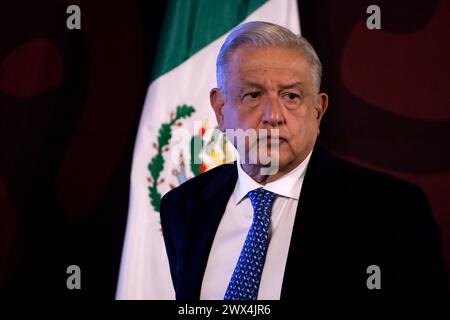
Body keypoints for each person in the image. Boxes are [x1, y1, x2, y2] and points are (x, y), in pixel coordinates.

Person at [160, 21, 448, 300]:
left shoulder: (390, 212)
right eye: (253, 95)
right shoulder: (184, 207)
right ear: (221, 109)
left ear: (318, 110)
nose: (273, 115)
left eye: (292, 96)